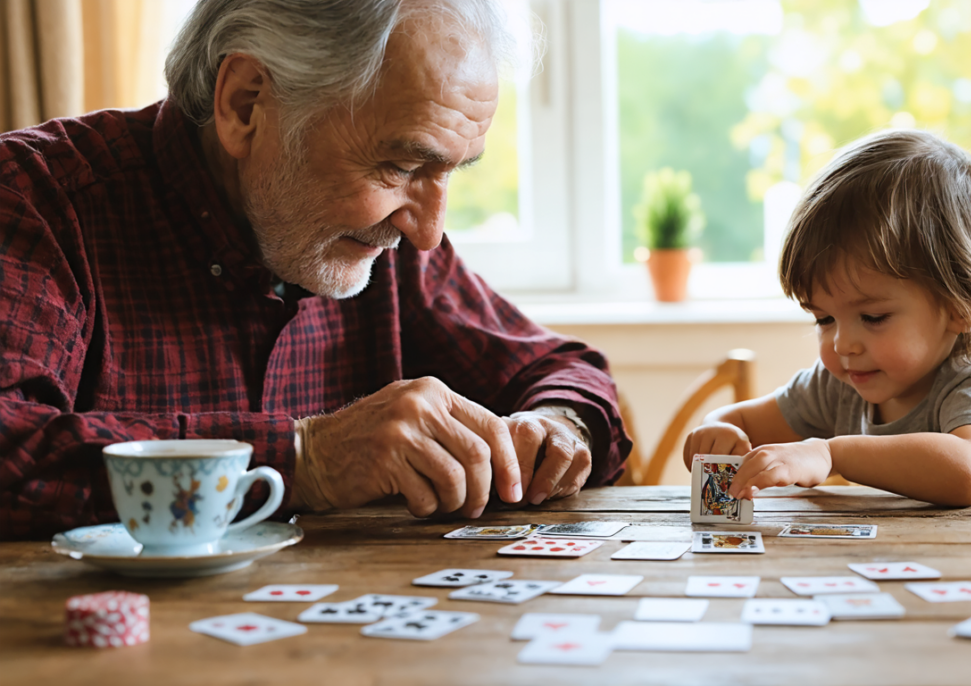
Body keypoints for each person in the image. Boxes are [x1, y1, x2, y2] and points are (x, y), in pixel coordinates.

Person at [0, 0, 630, 540]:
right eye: (403, 166)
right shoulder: (32, 200)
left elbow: (562, 371)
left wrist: (552, 427)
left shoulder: (388, 245)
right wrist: (307, 458)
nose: (429, 231)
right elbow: (11, 448)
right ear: (245, 104)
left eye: (449, 173)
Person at [683, 130, 971, 507]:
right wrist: (719, 432)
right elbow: (741, 422)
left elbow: (967, 472)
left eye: (873, 316)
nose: (842, 344)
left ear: (960, 306)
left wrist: (830, 453)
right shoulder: (841, 380)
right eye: (824, 319)